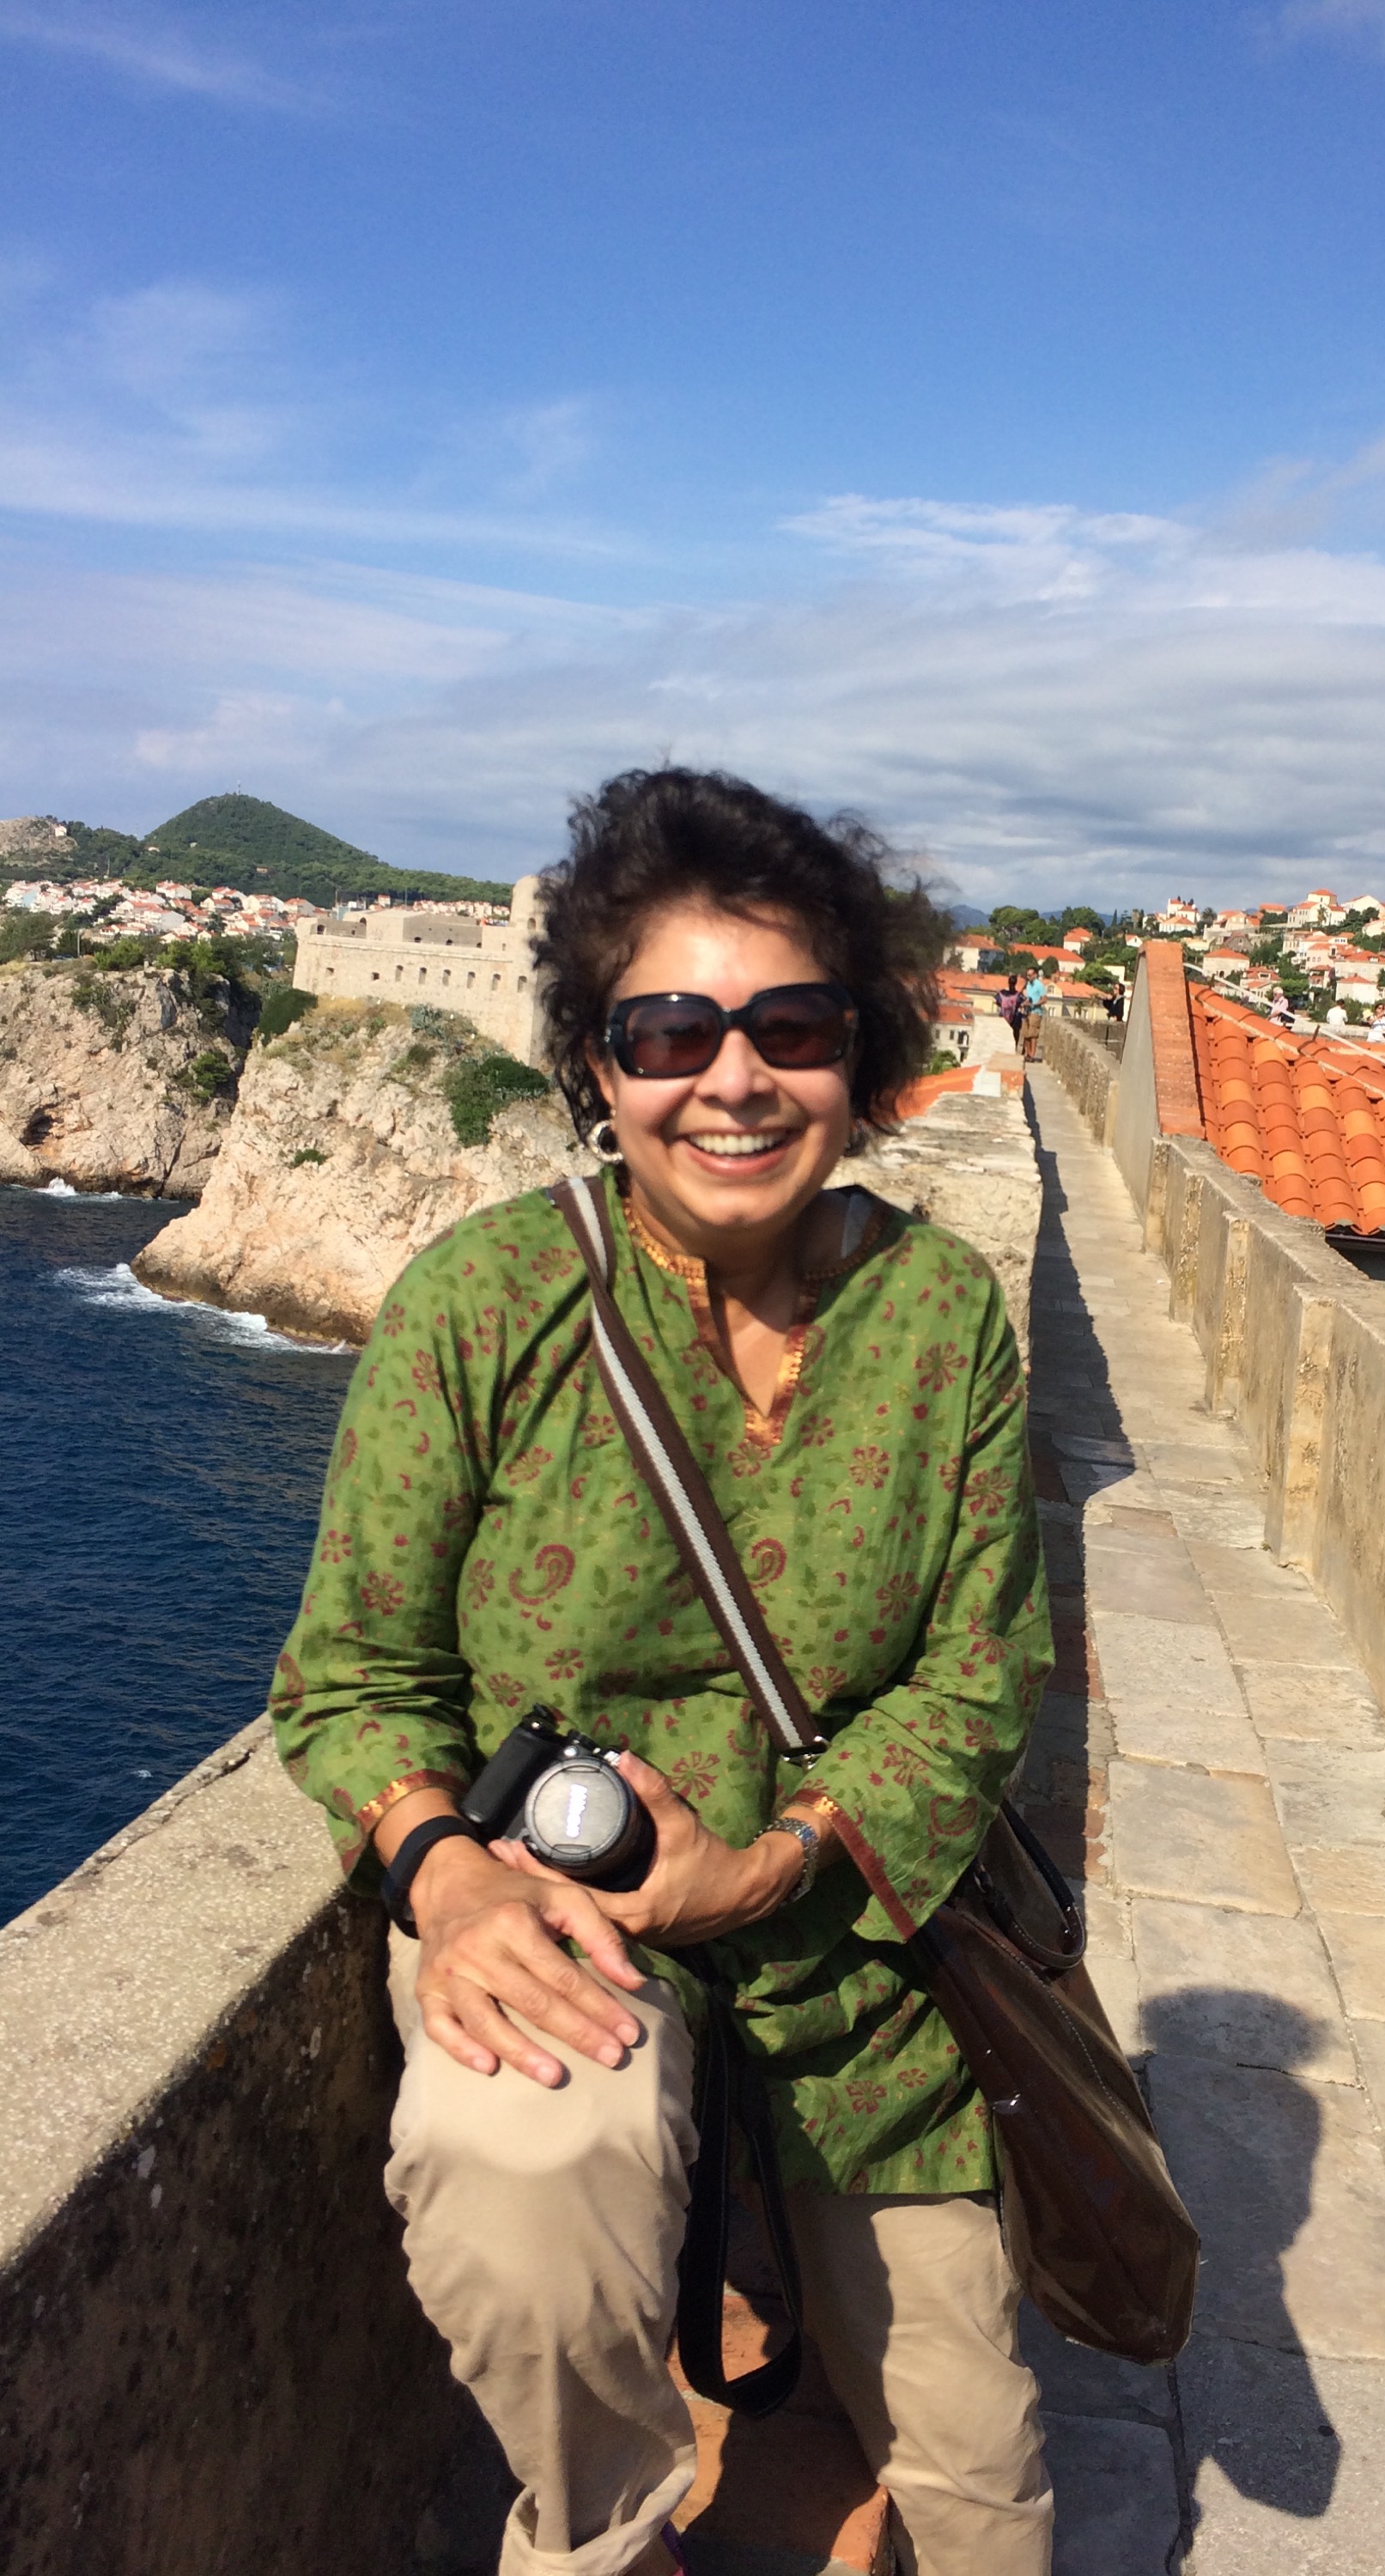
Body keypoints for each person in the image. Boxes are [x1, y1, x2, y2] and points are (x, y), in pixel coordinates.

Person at [270, 768, 1055, 2576]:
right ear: (596, 1062)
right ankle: (608, 2536)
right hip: (568, 1933)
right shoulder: (485, 1306)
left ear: (860, 1055)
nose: (734, 1079)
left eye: (793, 1027)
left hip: (853, 1969)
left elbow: (978, 1672)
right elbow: (349, 1674)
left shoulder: (940, 1319)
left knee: (988, 2499)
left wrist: (768, 1863)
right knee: (525, 2188)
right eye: (671, 1032)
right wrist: (446, 1875)